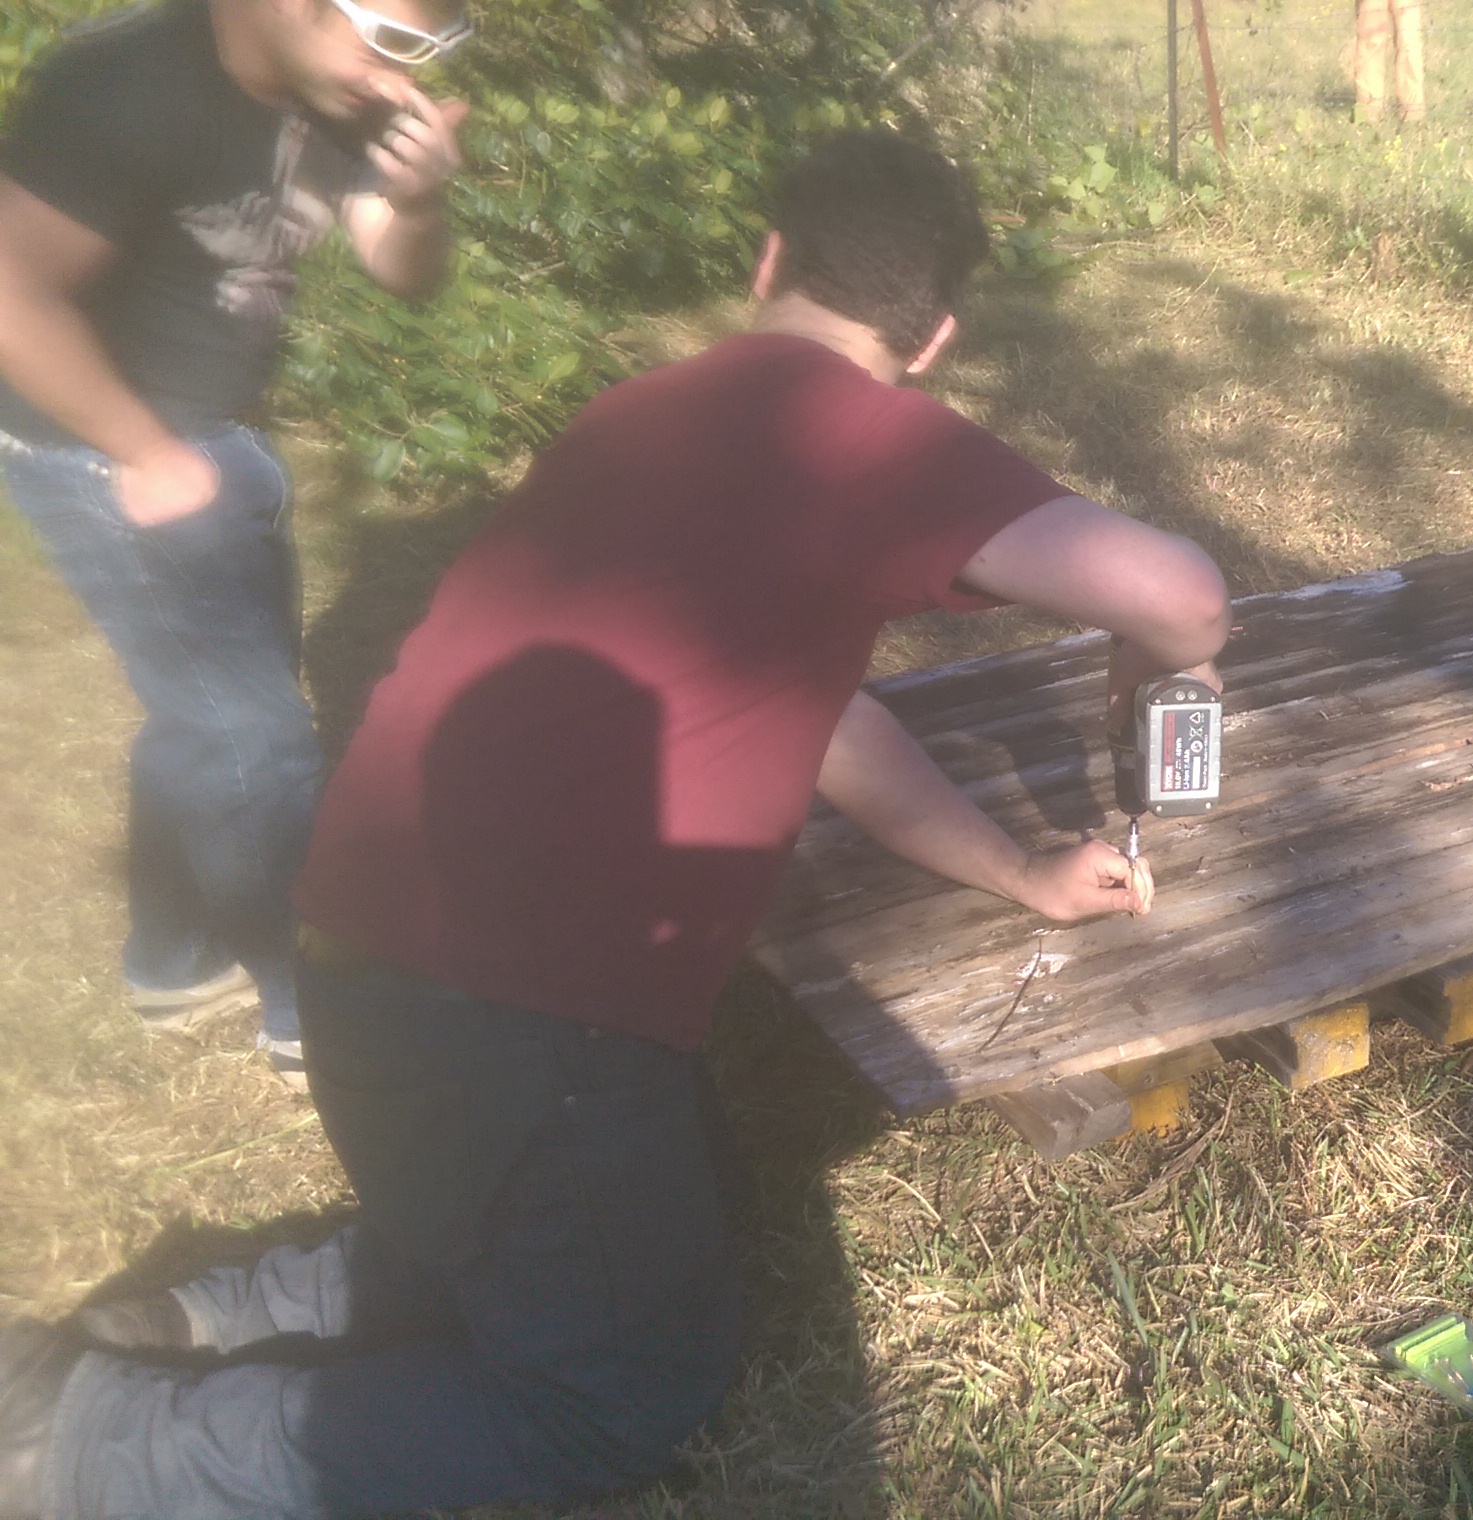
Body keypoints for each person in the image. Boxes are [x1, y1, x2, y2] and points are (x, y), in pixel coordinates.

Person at [0, 128, 1230, 1520]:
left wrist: (1017, 868)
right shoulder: (860, 435)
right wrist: (1154, 652)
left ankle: (206, 1316)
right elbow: (1184, 596)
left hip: (366, 971)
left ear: (768, 261)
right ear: (935, 338)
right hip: (521, 1023)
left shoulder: (639, 415)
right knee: (622, 1394)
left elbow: (827, 722)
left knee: (592, 1231)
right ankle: (76, 1447)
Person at [0, 0, 472, 1090]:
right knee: (256, 738)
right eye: (393, 40)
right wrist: (146, 451)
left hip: (216, 438)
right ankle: (322, 1015)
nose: (401, 76)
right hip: (101, 449)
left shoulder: (339, 86)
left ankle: (172, 963)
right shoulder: (124, 85)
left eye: (430, 50)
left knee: (212, 712)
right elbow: (12, 292)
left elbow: (405, 271)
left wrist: (419, 200)